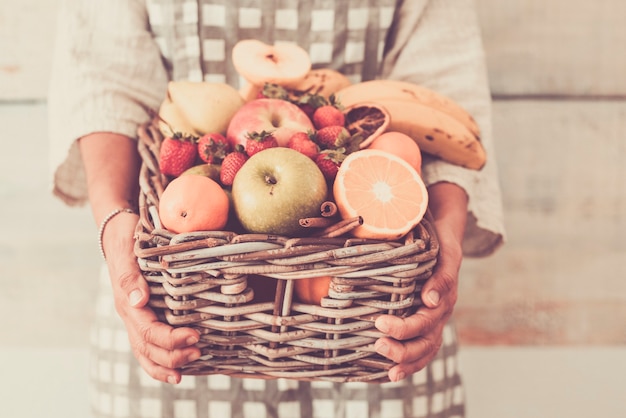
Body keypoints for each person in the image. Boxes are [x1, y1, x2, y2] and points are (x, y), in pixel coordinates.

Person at [48, 0, 505, 417]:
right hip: (177, 316)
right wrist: (114, 222)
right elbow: (103, 77)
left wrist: (445, 231)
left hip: (375, 325)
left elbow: (447, 82)